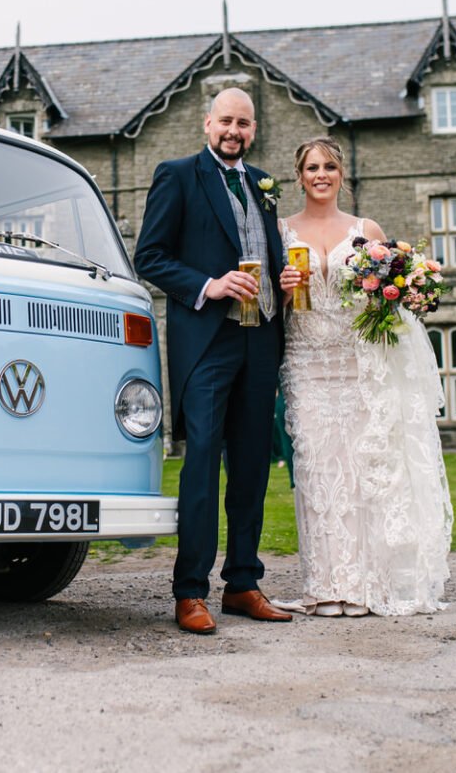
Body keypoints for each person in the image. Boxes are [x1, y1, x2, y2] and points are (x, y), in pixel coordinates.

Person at [134, 87, 294, 634]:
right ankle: (190, 592)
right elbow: (150, 256)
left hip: (262, 338)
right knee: (202, 461)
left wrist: (283, 279)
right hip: (207, 341)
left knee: (251, 465)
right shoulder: (177, 175)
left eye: (244, 123)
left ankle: (244, 583)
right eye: (226, 121)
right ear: (207, 124)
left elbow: (267, 253)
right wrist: (209, 283)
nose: (234, 131)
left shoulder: (264, 185)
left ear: (253, 129)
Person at [272, 137, 452, 617]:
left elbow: (388, 299)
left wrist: (397, 291)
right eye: (311, 167)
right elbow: (269, 307)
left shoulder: (365, 228)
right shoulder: (281, 230)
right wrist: (284, 289)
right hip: (306, 361)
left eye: (329, 166)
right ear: (300, 175)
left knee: (361, 473)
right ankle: (325, 586)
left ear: (341, 174)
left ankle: (364, 587)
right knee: (314, 471)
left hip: (357, 363)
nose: (320, 175)